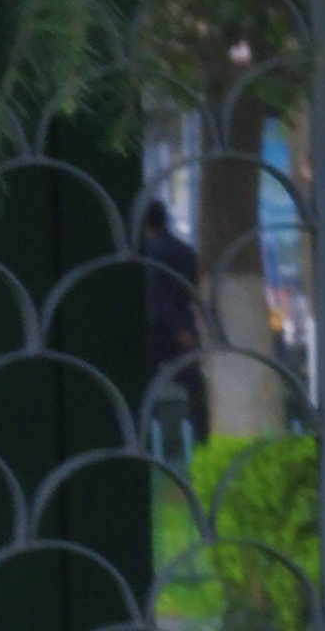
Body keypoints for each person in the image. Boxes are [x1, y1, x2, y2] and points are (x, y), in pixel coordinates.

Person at [140, 190, 207, 467]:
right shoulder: (183, 250)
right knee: (194, 387)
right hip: (183, 330)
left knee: (146, 391)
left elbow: (160, 294)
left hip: (157, 329)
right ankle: (201, 442)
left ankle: (150, 445)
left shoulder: (149, 253)